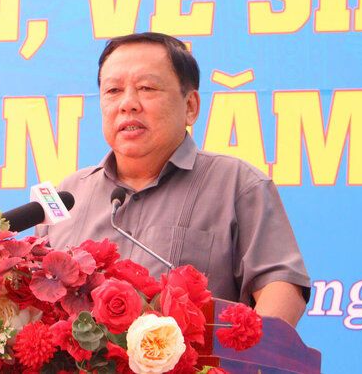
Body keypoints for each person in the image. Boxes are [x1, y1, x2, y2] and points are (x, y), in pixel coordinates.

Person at [35, 32, 310, 327]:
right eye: (113, 91)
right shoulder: (65, 195)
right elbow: (35, 294)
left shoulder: (237, 185)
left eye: (147, 88)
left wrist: (248, 357)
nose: (128, 104)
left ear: (190, 106)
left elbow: (281, 288)